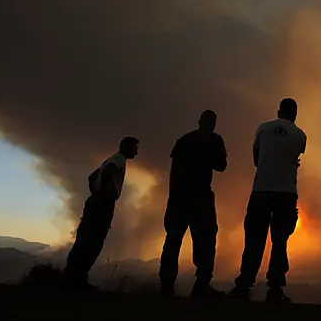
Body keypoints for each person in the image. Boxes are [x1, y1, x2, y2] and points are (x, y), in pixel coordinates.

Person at [229, 98, 306, 303]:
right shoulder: (300, 135)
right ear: (295, 114)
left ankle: (244, 286)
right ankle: (274, 289)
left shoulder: (263, 128)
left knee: (254, 239)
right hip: (286, 193)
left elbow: (256, 160)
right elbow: (293, 158)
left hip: (261, 190)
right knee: (279, 241)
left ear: (278, 111)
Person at [158, 110, 227, 298]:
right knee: (204, 240)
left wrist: (170, 201)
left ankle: (167, 284)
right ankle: (201, 284)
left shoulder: (185, 140)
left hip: (180, 197)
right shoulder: (214, 141)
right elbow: (222, 166)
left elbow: (174, 173)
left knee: (174, 239)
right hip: (200, 197)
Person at [63, 136, 140, 289]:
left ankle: (72, 276)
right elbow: (106, 174)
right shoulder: (118, 160)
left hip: (97, 201)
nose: (136, 153)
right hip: (102, 203)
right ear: (126, 147)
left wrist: (96, 192)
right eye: (134, 148)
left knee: (86, 237)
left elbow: (91, 176)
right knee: (94, 239)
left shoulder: (112, 159)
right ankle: (77, 278)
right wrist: (103, 196)